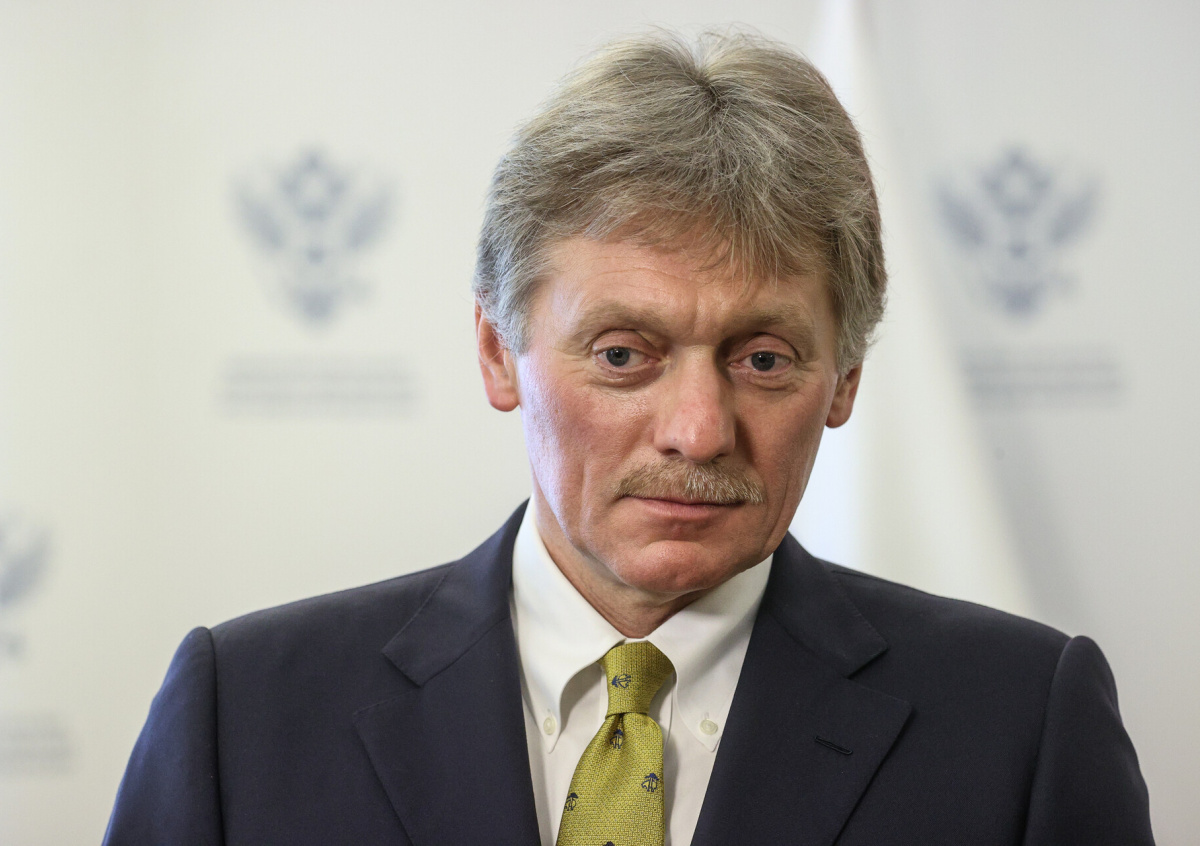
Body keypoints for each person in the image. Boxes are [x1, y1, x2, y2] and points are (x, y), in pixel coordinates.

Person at [104, 30, 1154, 846]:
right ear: (498, 354)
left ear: (844, 380)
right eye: (622, 354)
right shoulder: (244, 714)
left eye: (763, 359)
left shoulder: (1020, 725)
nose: (698, 432)